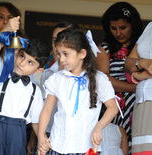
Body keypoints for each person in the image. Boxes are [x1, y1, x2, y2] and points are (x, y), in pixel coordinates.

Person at [37, 28, 119, 155]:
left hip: (86, 148)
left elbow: (113, 107)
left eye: (66, 54)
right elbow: (47, 110)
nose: (61, 59)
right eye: (58, 54)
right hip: (58, 145)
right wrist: (41, 135)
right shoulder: (56, 79)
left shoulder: (99, 79)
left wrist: (99, 127)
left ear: (82, 54)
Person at [0, 15, 50, 154]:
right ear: (17, 52)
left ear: (39, 70)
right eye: (22, 56)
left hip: (18, 131)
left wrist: (42, 138)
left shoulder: (34, 90)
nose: (22, 63)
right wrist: (5, 31)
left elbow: (36, 121)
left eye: (30, 62)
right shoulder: (1, 71)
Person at [26, 21, 80, 155]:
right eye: (55, 40)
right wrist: (35, 137)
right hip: (46, 136)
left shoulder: (85, 76)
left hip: (73, 139)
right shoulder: (47, 73)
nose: (58, 46)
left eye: (64, 39)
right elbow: (41, 108)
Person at [96, 2, 143, 153]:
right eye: (113, 28)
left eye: (123, 28)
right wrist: (135, 88)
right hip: (114, 108)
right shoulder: (104, 49)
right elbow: (104, 80)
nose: (118, 33)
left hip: (139, 106)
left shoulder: (143, 47)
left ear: (133, 25)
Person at [124, 22, 152, 155]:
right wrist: (142, 62)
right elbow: (129, 61)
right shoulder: (150, 26)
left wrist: (140, 74)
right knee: (141, 151)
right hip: (142, 102)